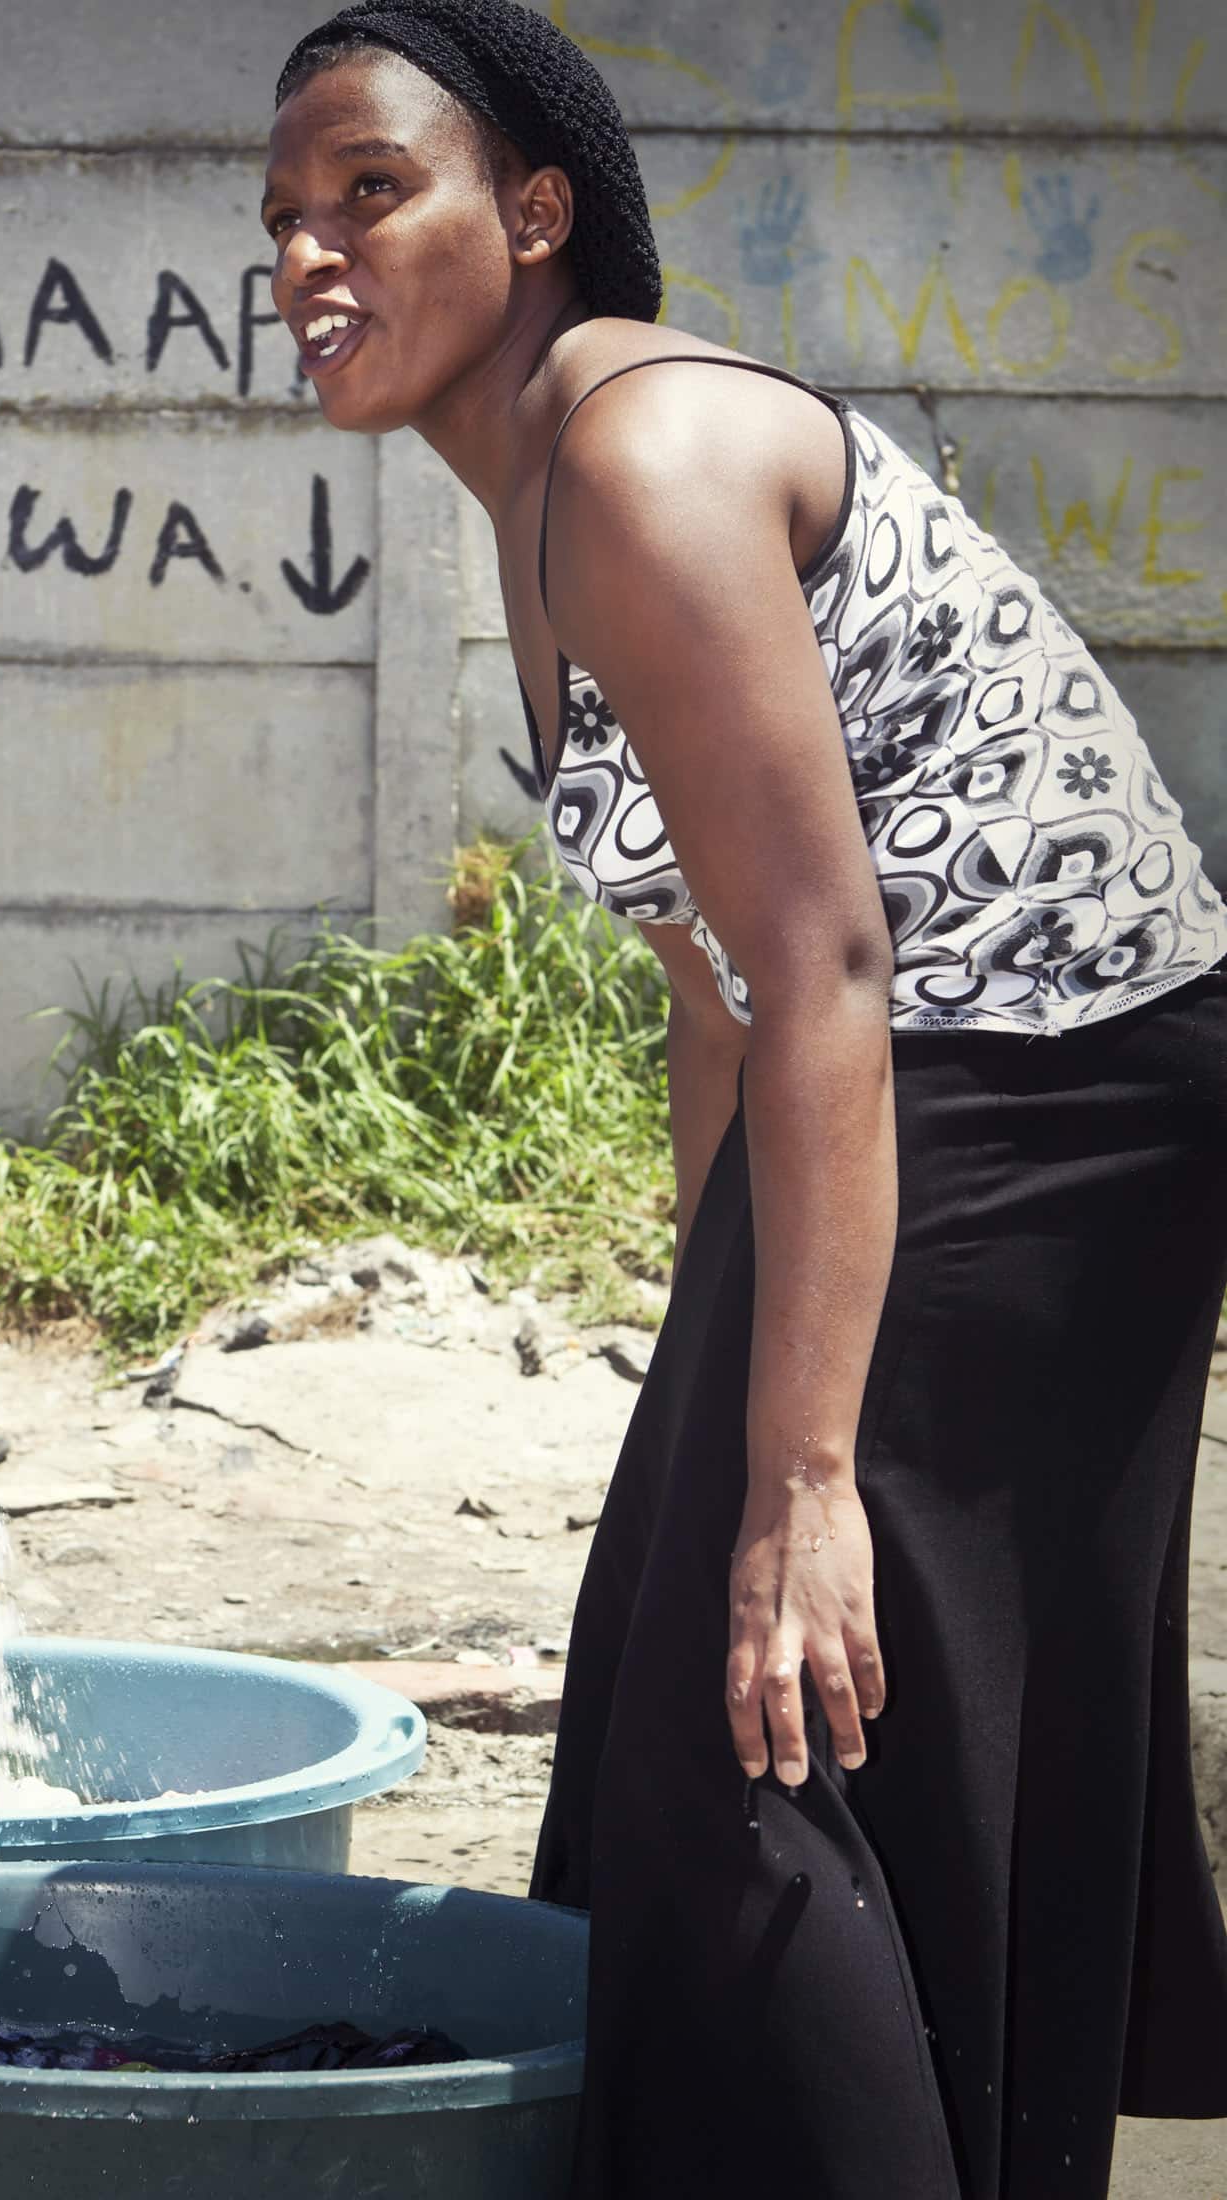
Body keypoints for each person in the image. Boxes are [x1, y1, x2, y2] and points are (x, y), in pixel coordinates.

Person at [264, 5, 1227, 2194]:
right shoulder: (532, 503)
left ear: (532, 217)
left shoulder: (633, 461)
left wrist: (791, 1469)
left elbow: (826, 961)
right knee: (705, 1633)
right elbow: (715, 979)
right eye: (282, 218)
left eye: (366, 191)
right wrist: (713, 1363)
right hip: (960, 1070)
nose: (307, 255)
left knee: (764, 1697)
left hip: (1045, 1088)